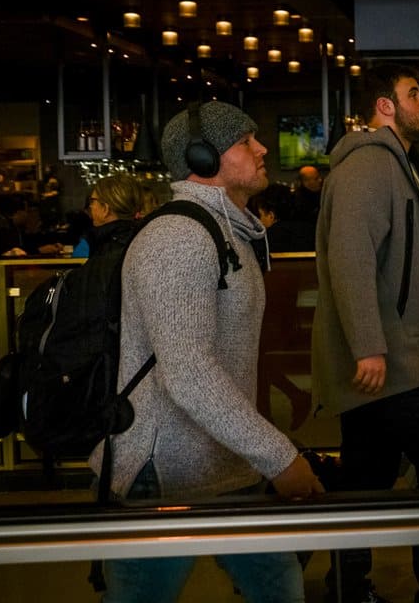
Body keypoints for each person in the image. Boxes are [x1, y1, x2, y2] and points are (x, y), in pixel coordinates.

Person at [92, 100, 322, 603]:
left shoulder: (224, 232)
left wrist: (257, 454)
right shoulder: (178, 238)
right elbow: (189, 373)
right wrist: (279, 458)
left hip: (222, 461)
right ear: (202, 158)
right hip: (166, 471)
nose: (262, 149)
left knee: (281, 587)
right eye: (246, 141)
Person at [312, 64, 419, 603]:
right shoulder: (368, 168)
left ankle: (346, 587)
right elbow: (351, 257)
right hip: (387, 356)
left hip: (392, 352)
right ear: (385, 106)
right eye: (414, 93)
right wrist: (369, 346)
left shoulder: (399, 166)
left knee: (367, 477)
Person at [80, 173, 145, 258]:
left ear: (105, 209)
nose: (90, 206)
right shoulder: (143, 238)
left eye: (92, 201)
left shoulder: (107, 246)